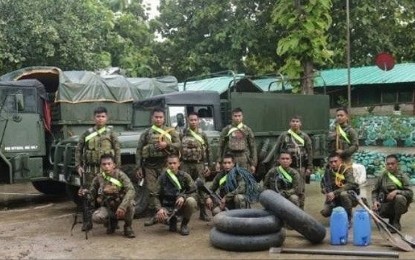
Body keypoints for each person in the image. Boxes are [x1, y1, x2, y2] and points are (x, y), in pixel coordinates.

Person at [135, 107, 181, 226]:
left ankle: (172, 213)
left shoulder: (170, 132)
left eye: (160, 117)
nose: (158, 119)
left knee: (168, 189)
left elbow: (179, 145)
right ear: (152, 118)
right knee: (151, 190)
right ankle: (153, 215)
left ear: (164, 118)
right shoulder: (146, 133)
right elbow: (139, 150)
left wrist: (167, 144)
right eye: (156, 117)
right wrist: (139, 167)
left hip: (166, 165)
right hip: (149, 166)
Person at [78, 154, 136, 238]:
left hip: (121, 204)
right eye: (104, 164)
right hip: (108, 206)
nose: (106, 166)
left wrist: (123, 207)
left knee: (131, 204)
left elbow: (131, 190)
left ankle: (128, 227)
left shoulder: (120, 175)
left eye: (109, 164)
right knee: (96, 217)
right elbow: (91, 195)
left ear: (114, 165)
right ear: (101, 166)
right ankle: (112, 221)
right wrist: (84, 193)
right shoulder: (98, 178)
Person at [271, 116, 313, 210]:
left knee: (300, 190)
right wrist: (276, 164)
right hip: (285, 168)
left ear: (300, 124)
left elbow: (310, 152)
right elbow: (277, 150)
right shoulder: (284, 136)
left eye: (297, 121)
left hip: (300, 167)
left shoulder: (305, 137)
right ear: (290, 123)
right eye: (293, 121)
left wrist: (309, 167)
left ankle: (301, 211)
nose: (295, 123)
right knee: (285, 188)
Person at [151, 154, 198, 236]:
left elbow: (194, 191)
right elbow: (155, 195)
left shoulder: (184, 176)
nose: (172, 165)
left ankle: (184, 225)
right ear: (167, 164)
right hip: (167, 205)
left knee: (191, 201)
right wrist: (159, 209)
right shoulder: (162, 177)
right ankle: (172, 220)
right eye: (170, 163)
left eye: (174, 163)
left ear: (179, 164)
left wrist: (184, 197)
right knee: (160, 218)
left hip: (181, 205)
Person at [75, 106, 121, 185]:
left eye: (103, 116)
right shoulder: (87, 133)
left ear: (106, 118)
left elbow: (117, 150)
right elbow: (78, 149)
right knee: (90, 192)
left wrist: (117, 167)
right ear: (94, 118)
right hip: (90, 170)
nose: (100, 119)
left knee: (108, 192)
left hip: (107, 170)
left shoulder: (111, 133)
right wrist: (78, 166)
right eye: (98, 116)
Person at [180, 112, 211, 221]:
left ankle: (203, 213)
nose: (193, 122)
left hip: (199, 164)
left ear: (198, 121)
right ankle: (183, 213)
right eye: (191, 120)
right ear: (188, 121)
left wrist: (207, 165)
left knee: (201, 188)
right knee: (184, 187)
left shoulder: (202, 134)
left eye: (195, 120)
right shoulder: (183, 133)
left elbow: (207, 150)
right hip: (185, 164)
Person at [372, 154, 413, 232]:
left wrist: (397, 191)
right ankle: (390, 220)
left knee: (399, 198)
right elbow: (375, 191)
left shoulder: (402, 176)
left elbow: (410, 193)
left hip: (399, 204)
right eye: (388, 164)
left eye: (392, 164)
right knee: (372, 213)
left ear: (397, 164)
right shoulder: (382, 176)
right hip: (384, 204)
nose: (390, 166)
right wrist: (375, 202)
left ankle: (396, 222)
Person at [320, 152, 359, 225]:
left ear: (340, 161)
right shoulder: (328, 172)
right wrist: (324, 190)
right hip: (334, 197)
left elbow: (351, 184)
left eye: (335, 161)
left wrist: (334, 193)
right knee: (325, 212)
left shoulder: (347, 169)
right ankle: (338, 212)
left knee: (343, 195)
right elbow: (322, 183)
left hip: (349, 196)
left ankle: (348, 218)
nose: (333, 164)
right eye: (331, 162)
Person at [216, 107, 257, 174]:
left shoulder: (247, 130)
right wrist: (219, 161)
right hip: (230, 159)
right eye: (235, 116)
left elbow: (253, 147)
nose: (237, 118)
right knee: (230, 178)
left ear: (242, 117)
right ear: (232, 117)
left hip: (244, 159)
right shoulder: (227, 130)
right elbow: (221, 145)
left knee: (244, 179)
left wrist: (253, 164)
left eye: (239, 116)